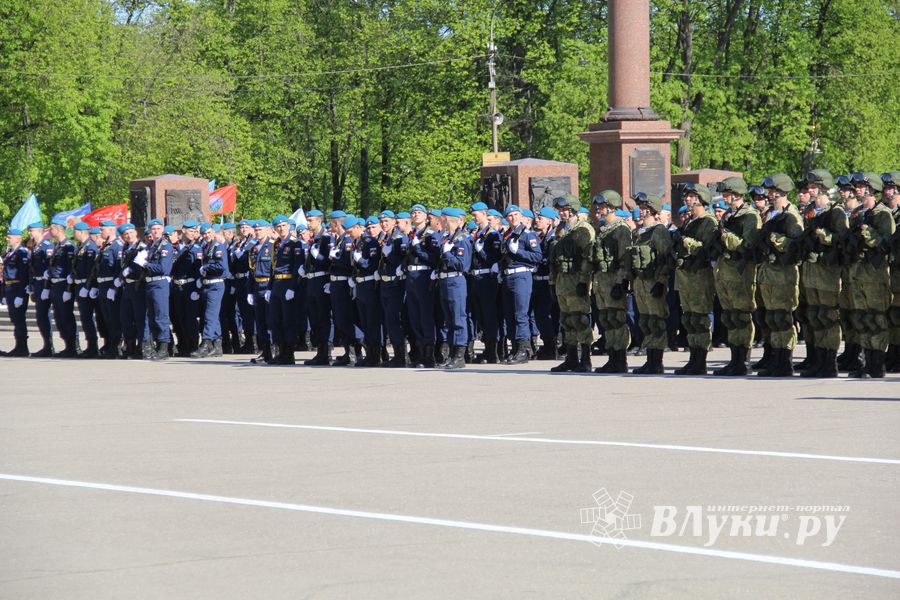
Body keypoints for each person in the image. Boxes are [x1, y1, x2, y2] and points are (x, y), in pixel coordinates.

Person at [844, 173, 895, 378]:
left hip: (874, 273)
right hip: (856, 271)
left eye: (862, 186)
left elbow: (885, 245)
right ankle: (866, 360)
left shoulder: (883, 214)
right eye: (856, 185)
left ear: (871, 189)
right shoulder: (856, 212)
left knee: (876, 318)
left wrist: (867, 231)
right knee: (862, 318)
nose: (857, 189)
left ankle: (877, 363)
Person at [754, 174, 803, 377]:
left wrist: (774, 239)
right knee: (771, 318)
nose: (770, 194)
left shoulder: (791, 215)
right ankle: (775, 357)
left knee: (783, 318)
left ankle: (785, 361)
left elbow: (796, 245)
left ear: (782, 191)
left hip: (783, 273)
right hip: (768, 272)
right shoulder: (772, 214)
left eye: (773, 191)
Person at [796, 185, 847, 378]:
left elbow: (842, 239)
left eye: (815, 187)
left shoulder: (836, 212)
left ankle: (829, 363)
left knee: (828, 317)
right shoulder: (812, 211)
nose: (811, 190)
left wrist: (821, 234)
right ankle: (818, 360)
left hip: (827, 271)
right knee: (815, 316)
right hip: (811, 271)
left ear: (825, 188)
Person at [713, 177, 761, 376]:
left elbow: (747, 245)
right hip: (725, 271)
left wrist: (725, 235)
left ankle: (744, 361)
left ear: (737, 194)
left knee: (741, 316)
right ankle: (735, 358)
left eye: (727, 194)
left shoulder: (749, 216)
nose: (725, 197)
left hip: (741, 272)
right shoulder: (729, 215)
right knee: (730, 317)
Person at [672, 182, 719, 375]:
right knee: (690, 319)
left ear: (700, 198)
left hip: (700, 276)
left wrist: (684, 241)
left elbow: (705, 249)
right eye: (687, 196)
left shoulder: (709, 222)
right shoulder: (689, 222)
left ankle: (701, 360)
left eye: (691, 196)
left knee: (700, 319)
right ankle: (693, 358)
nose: (687, 199)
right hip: (686, 276)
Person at [628, 193, 673, 374]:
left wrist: (661, 281)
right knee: (646, 321)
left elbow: (665, 258)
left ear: (654, 210)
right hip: (640, 282)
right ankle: (649, 359)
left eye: (646, 207)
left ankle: (657, 361)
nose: (642, 210)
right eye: (640, 207)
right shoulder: (639, 233)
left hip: (653, 282)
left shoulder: (658, 231)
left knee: (656, 322)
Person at [550, 196, 595, 373]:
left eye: (564, 209)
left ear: (573, 210)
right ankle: (571, 358)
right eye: (560, 210)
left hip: (576, 281)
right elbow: (555, 260)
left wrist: (584, 282)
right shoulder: (563, 230)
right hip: (563, 282)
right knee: (567, 321)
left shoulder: (583, 230)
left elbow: (587, 258)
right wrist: (553, 283)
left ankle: (585, 358)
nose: (561, 213)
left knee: (580, 320)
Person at [590, 191, 632, 373]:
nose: (598, 210)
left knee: (617, 320)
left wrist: (621, 282)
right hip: (601, 281)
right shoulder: (602, 230)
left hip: (613, 279)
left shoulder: (621, 229)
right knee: (606, 320)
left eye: (602, 206)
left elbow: (625, 258)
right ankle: (612, 357)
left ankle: (620, 359)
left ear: (611, 207)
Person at [499, 205, 542, 364]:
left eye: (516, 214)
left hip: (521, 276)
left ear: (521, 216)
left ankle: (524, 350)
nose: (513, 218)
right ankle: (515, 348)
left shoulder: (527, 234)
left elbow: (537, 256)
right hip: (507, 277)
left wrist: (518, 252)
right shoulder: (507, 235)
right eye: (510, 216)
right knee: (510, 315)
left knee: (520, 315)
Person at [434, 207, 472, 369]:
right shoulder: (447, 239)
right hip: (444, 281)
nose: (440, 222)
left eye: (442, 219)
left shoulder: (462, 239)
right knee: (449, 321)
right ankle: (451, 354)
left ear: (448, 220)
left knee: (458, 319)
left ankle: (459, 356)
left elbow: (463, 265)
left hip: (456, 281)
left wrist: (448, 254)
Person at [405, 203, 441, 367]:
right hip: (411, 276)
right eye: (413, 213)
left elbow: (434, 257)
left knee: (425, 316)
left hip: (424, 276)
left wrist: (418, 247)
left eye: (419, 212)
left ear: (426, 216)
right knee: (414, 316)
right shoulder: (413, 234)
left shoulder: (431, 234)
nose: (416, 215)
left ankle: (429, 356)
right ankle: (420, 353)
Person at [469, 201, 503, 363]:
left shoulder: (492, 234)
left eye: (475, 215)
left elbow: (495, 258)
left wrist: (481, 250)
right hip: (476, 278)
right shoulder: (478, 233)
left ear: (484, 214)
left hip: (487, 278)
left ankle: (492, 352)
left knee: (489, 315)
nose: (474, 218)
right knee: (481, 316)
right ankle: (487, 349)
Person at [262, 215, 299, 364]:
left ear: (289, 226)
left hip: (288, 282)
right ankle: (280, 352)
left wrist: (293, 287)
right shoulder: (276, 244)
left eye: (284, 225)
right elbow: (273, 267)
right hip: (277, 284)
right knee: (274, 320)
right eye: (278, 226)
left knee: (288, 320)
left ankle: (289, 354)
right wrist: (270, 288)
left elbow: (297, 267)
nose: (281, 228)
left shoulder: (295, 243)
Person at [192, 222, 231, 358]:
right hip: (207, 284)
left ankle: (205, 343)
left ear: (213, 232)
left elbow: (221, 266)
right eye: (204, 234)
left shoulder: (218, 245)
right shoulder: (205, 246)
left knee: (210, 316)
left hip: (216, 284)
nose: (207, 235)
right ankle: (217, 345)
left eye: (209, 233)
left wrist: (205, 268)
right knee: (213, 317)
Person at [329, 215, 364, 366]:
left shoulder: (348, 240)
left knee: (346, 320)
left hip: (344, 284)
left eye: (332, 223)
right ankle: (349, 352)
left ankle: (363, 346)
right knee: (340, 320)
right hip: (337, 283)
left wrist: (335, 258)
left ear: (337, 223)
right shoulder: (340, 239)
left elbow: (347, 263)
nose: (330, 227)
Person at [378, 210, 410, 367]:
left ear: (393, 222)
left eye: (387, 221)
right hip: (385, 283)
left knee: (393, 319)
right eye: (382, 221)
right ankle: (398, 355)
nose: (384, 224)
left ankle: (402, 356)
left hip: (396, 284)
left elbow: (403, 259)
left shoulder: (399, 238)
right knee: (388, 320)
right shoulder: (386, 237)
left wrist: (390, 255)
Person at [139, 218, 174, 360]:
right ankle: (156, 347)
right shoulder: (150, 246)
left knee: (161, 316)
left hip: (160, 284)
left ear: (162, 229)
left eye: (158, 229)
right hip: (150, 284)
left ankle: (164, 348)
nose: (156, 231)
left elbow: (163, 268)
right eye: (153, 229)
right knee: (152, 317)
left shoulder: (165, 246)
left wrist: (146, 265)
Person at [303, 210, 334, 366]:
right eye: (308, 220)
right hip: (311, 281)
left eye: (311, 220)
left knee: (323, 318)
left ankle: (325, 352)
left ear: (319, 221)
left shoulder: (326, 238)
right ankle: (319, 351)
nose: (309, 223)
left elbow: (329, 262)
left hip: (321, 279)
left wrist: (317, 256)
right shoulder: (313, 238)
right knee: (314, 318)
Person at [531, 206, 560, 360]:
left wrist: (537, 261)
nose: (537, 220)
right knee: (540, 316)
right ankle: (548, 345)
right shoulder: (540, 237)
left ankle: (553, 347)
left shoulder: (553, 238)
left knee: (548, 316)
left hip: (548, 281)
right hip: (538, 282)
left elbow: (550, 259)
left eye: (540, 218)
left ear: (549, 221)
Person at [46, 217, 78, 357]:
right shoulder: (57, 246)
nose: (50, 231)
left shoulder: (69, 246)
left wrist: (68, 289)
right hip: (55, 285)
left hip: (63, 284)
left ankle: (73, 346)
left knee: (66, 316)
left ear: (58, 229)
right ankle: (67, 345)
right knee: (59, 317)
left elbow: (71, 269)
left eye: (51, 228)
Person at [116, 223, 148, 359]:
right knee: (126, 318)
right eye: (125, 234)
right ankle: (130, 347)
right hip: (127, 287)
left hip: (138, 286)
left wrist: (130, 271)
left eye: (130, 233)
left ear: (135, 232)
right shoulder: (125, 248)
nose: (129, 236)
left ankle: (142, 347)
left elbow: (141, 267)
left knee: (140, 318)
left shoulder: (142, 248)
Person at [171, 221, 203, 356]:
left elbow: (198, 269)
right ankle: (183, 345)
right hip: (177, 286)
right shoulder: (175, 247)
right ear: (183, 230)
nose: (193, 234)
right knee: (179, 318)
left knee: (190, 319)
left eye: (195, 231)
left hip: (190, 286)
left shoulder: (196, 248)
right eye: (191, 231)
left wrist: (197, 288)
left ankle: (193, 346)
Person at [95, 220, 124, 358]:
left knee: (113, 318)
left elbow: (119, 269)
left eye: (102, 229)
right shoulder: (106, 246)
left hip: (111, 286)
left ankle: (116, 347)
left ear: (111, 230)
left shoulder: (117, 246)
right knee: (105, 318)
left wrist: (114, 287)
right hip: (102, 286)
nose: (100, 232)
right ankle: (110, 345)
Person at [71, 222, 100, 358]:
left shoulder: (90, 247)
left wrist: (89, 287)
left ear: (81, 232)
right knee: (85, 317)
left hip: (86, 286)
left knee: (88, 317)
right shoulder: (80, 247)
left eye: (74, 231)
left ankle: (93, 347)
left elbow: (92, 271)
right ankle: (90, 346)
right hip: (79, 285)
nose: (73, 233)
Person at [1, 227, 30, 356]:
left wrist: (21, 294)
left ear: (18, 238)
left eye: (10, 237)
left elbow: (24, 275)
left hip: (17, 288)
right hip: (10, 288)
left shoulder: (22, 253)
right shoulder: (10, 253)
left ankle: (22, 347)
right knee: (14, 318)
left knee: (19, 319)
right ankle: (18, 346)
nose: (8, 239)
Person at [27, 222, 55, 357]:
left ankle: (49, 346)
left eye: (31, 230)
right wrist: (31, 286)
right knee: (40, 316)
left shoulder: (47, 246)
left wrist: (47, 286)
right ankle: (47, 345)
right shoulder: (35, 247)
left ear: (40, 231)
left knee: (44, 315)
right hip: (37, 285)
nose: (29, 233)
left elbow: (51, 266)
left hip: (45, 285)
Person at [232, 220, 258, 353]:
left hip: (247, 278)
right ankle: (248, 341)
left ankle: (254, 343)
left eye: (246, 227)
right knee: (243, 313)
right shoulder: (239, 243)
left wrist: (239, 255)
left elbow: (247, 260)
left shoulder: (253, 243)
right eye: (241, 227)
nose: (243, 229)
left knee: (250, 313)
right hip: (239, 279)